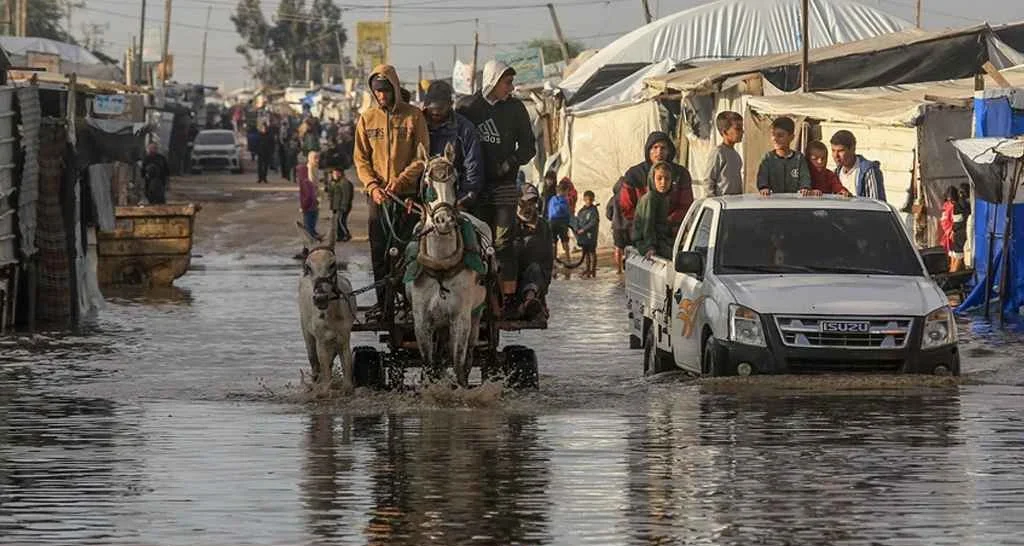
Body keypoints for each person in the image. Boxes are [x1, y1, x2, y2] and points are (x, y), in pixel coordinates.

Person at [456, 59, 536, 317]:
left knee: (502, 243)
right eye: (507, 82)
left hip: (504, 187)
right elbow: (455, 141)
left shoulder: (516, 109)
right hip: (473, 187)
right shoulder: (468, 107)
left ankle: (508, 301)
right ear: (492, 80)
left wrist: (510, 161)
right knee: (472, 241)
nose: (511, 88)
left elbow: (529, 148)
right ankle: (471, 297)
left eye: (511, 83)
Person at [353, 64, 430, 315]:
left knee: (409, 250)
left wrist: (401, 181)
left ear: (395, 88)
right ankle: (384, 303)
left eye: (386, 90)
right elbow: (361, 159)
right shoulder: (366, 119)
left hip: (407, 197)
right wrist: (373, 186)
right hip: (378, 197)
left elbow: (422, 157)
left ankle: (410, 303)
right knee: (379, 250)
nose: (382, 96)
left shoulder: (413, 116)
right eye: (377, 91)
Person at [619, 131, 694, 234]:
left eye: (663, 148)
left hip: (671, 233)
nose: (659, 152)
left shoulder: (681, 174)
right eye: (655, 147)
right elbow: (626, 207)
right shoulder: (634, 175)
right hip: (641, 233)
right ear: (648, 150)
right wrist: (646, 223)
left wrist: (665, 223)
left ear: (669, 151)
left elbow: (685, 205)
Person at [422, 80, 483, 203]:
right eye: (432, 107)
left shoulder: (464, 129)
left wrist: (465, 196)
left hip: (455, 194)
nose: (435, 111)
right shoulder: (417, 124)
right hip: (423, 194)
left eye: (441, 107)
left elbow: (473, 165)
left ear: (450, 104)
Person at [510, 184, 553, 320]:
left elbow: (548, 260)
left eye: (532, 203)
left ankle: (530, 302)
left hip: (534, 278)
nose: (528, 207)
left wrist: (544, 291)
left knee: (535, 268)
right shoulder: (510, 224)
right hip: (511, 277)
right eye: (524, 203)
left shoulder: (543, 226)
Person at [757, 117, 811, 196]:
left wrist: (805, 187)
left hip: (794, 203)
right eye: (773, 135)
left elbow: (805, 178)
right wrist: (763, 187)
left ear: (791, 137)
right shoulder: (768, 158)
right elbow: (762, 178)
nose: (775, 139)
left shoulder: (799, 159)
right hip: (772, 203)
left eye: (780, 135)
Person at [632, 161, 676, 259]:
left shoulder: (663, 198)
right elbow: (648, 224)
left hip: (659, 239)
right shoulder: (651, 198)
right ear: (652, 179)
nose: (663, 182)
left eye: (667, 179)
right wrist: (650, 247)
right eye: (659, 178)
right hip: (645, 241)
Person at [830, 130, 886, 200]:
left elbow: (876, 204)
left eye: (840, 151)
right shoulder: (835, 173)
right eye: (833, 150)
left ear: (852, 149)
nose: (836, 155)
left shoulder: (868, 171)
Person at [704, 111, 745, 196]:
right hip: (722, 202)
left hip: (735, 202)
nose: (742, 132)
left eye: (742, 128)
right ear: (725, 132)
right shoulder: (718, 152)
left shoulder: (736, 155)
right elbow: (709, 180)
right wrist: (713, 200)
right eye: (738, 129)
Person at [295, 151, 322, 259]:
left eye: (318, 158)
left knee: (308, 229)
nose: (317, 160)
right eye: (315, 158)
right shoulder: (309, 171)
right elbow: (308, 191)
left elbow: (310, 191)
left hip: (311, 204)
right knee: (309, 229)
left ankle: (309, 250)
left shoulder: (312, 171)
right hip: (311, 204)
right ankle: (309, 249)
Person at [326, 161, 354, 242]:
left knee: (341, 221)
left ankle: (346, 234)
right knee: (337, 221)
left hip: (342, 206)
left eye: (335, 173)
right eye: (333, 174)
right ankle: (340, 236)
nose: (333, 175)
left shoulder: (344, 183)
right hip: (336, 206)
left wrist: (344, 206)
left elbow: (346, 196)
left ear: (340, 173)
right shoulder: (335, 182)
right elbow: (331, 194)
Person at [547, 178, 573, 264]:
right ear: (564, 191)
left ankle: (554, 260)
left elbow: (549, 210)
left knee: (553, 242)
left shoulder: (552, 199)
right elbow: (567, 212)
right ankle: (568, 259)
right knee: (565, 241)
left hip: (552, 222)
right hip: (562, 223)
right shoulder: (564, 200)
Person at [575, 190, 600, 278]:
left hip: (591, 236)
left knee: (592, 252)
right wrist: (577, 229)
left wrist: (584, 229)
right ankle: (587, 268)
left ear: (593, 200)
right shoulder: (581, 211)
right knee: (585, 253)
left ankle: (593, 269)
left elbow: (593, 222)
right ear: (584, 200)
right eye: (587, 200)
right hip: (583, 237)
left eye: (590, 200)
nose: (588, 202)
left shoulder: (594, 211)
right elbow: (577, 220)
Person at [606, 176, 629, 275]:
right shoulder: (630, 196)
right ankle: (628, 268)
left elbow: (608, 213)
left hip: (617, 226)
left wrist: (613, 219)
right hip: (629, 225)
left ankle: (619, 269)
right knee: (630, 248)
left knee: (618, 247)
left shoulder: (613, 198)